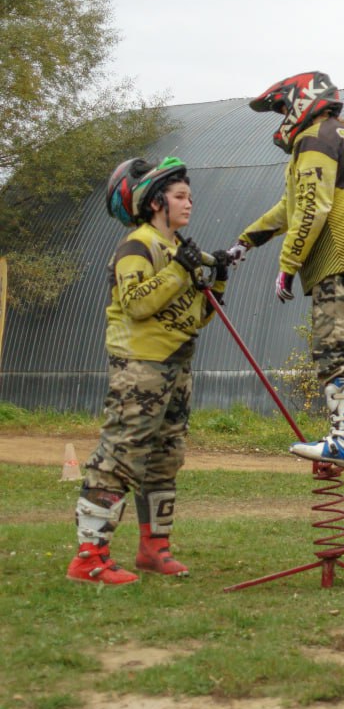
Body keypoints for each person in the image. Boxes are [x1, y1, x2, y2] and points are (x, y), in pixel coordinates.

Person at [68, 157, 228, 585]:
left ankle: (154, 549)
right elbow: (138, 303)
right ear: (157, 203)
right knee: (120, 455)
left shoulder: (178, 250)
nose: (189, 203)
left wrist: (217, 279)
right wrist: (179, 270)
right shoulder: (137, 245)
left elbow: (194, 318)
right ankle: (89, 558)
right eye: (180, 196)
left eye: (190, 196)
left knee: (164, 458)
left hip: (177, 365)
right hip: (140, 366)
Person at [227, 72, 344, 468]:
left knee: (334, 346)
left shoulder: (314, 139)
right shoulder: (338, 134)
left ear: (301, 102)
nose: (282, 117)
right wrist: (247, 240)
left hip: (339, 253)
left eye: (283, 108)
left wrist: (288, 265)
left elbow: (311, 207)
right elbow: (292, 205)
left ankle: (342, 442)